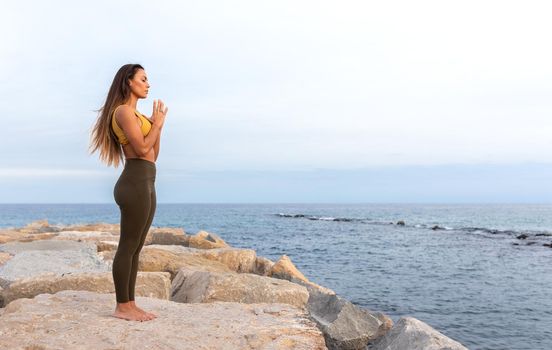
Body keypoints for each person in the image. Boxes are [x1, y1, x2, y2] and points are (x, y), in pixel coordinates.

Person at [89, 63, 168, 321]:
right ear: (129, 82)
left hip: (146, 181)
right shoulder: (123, 112)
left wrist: (157, 125)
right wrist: (157, 125)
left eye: (148, 80)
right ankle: (122, 306)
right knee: (127, 246)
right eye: (143, 79)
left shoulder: (140, 117)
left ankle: (130, 303)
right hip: (134, 183)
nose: (148, 84)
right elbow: (143, 150)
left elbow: (154, 153)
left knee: (136, 248)